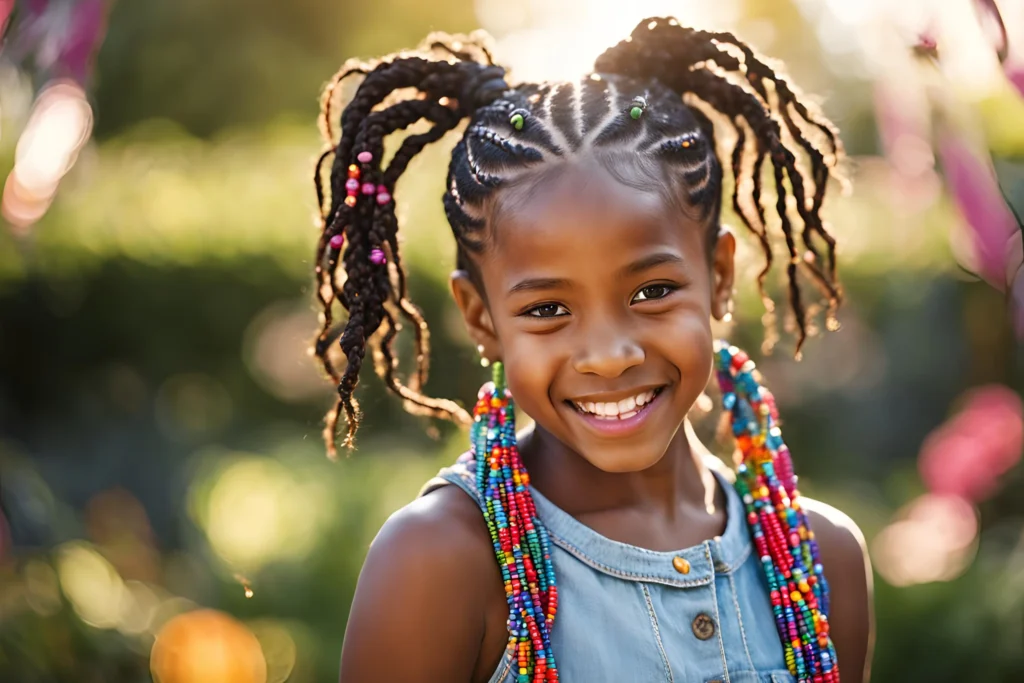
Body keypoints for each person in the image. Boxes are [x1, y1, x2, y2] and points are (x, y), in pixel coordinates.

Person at [311, 16, 874, 683]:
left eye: (653, 290)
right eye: (547, 309)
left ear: (719, 277)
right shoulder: (441, 563)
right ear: (482, 318)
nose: (607, 354)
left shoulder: (820, 559)